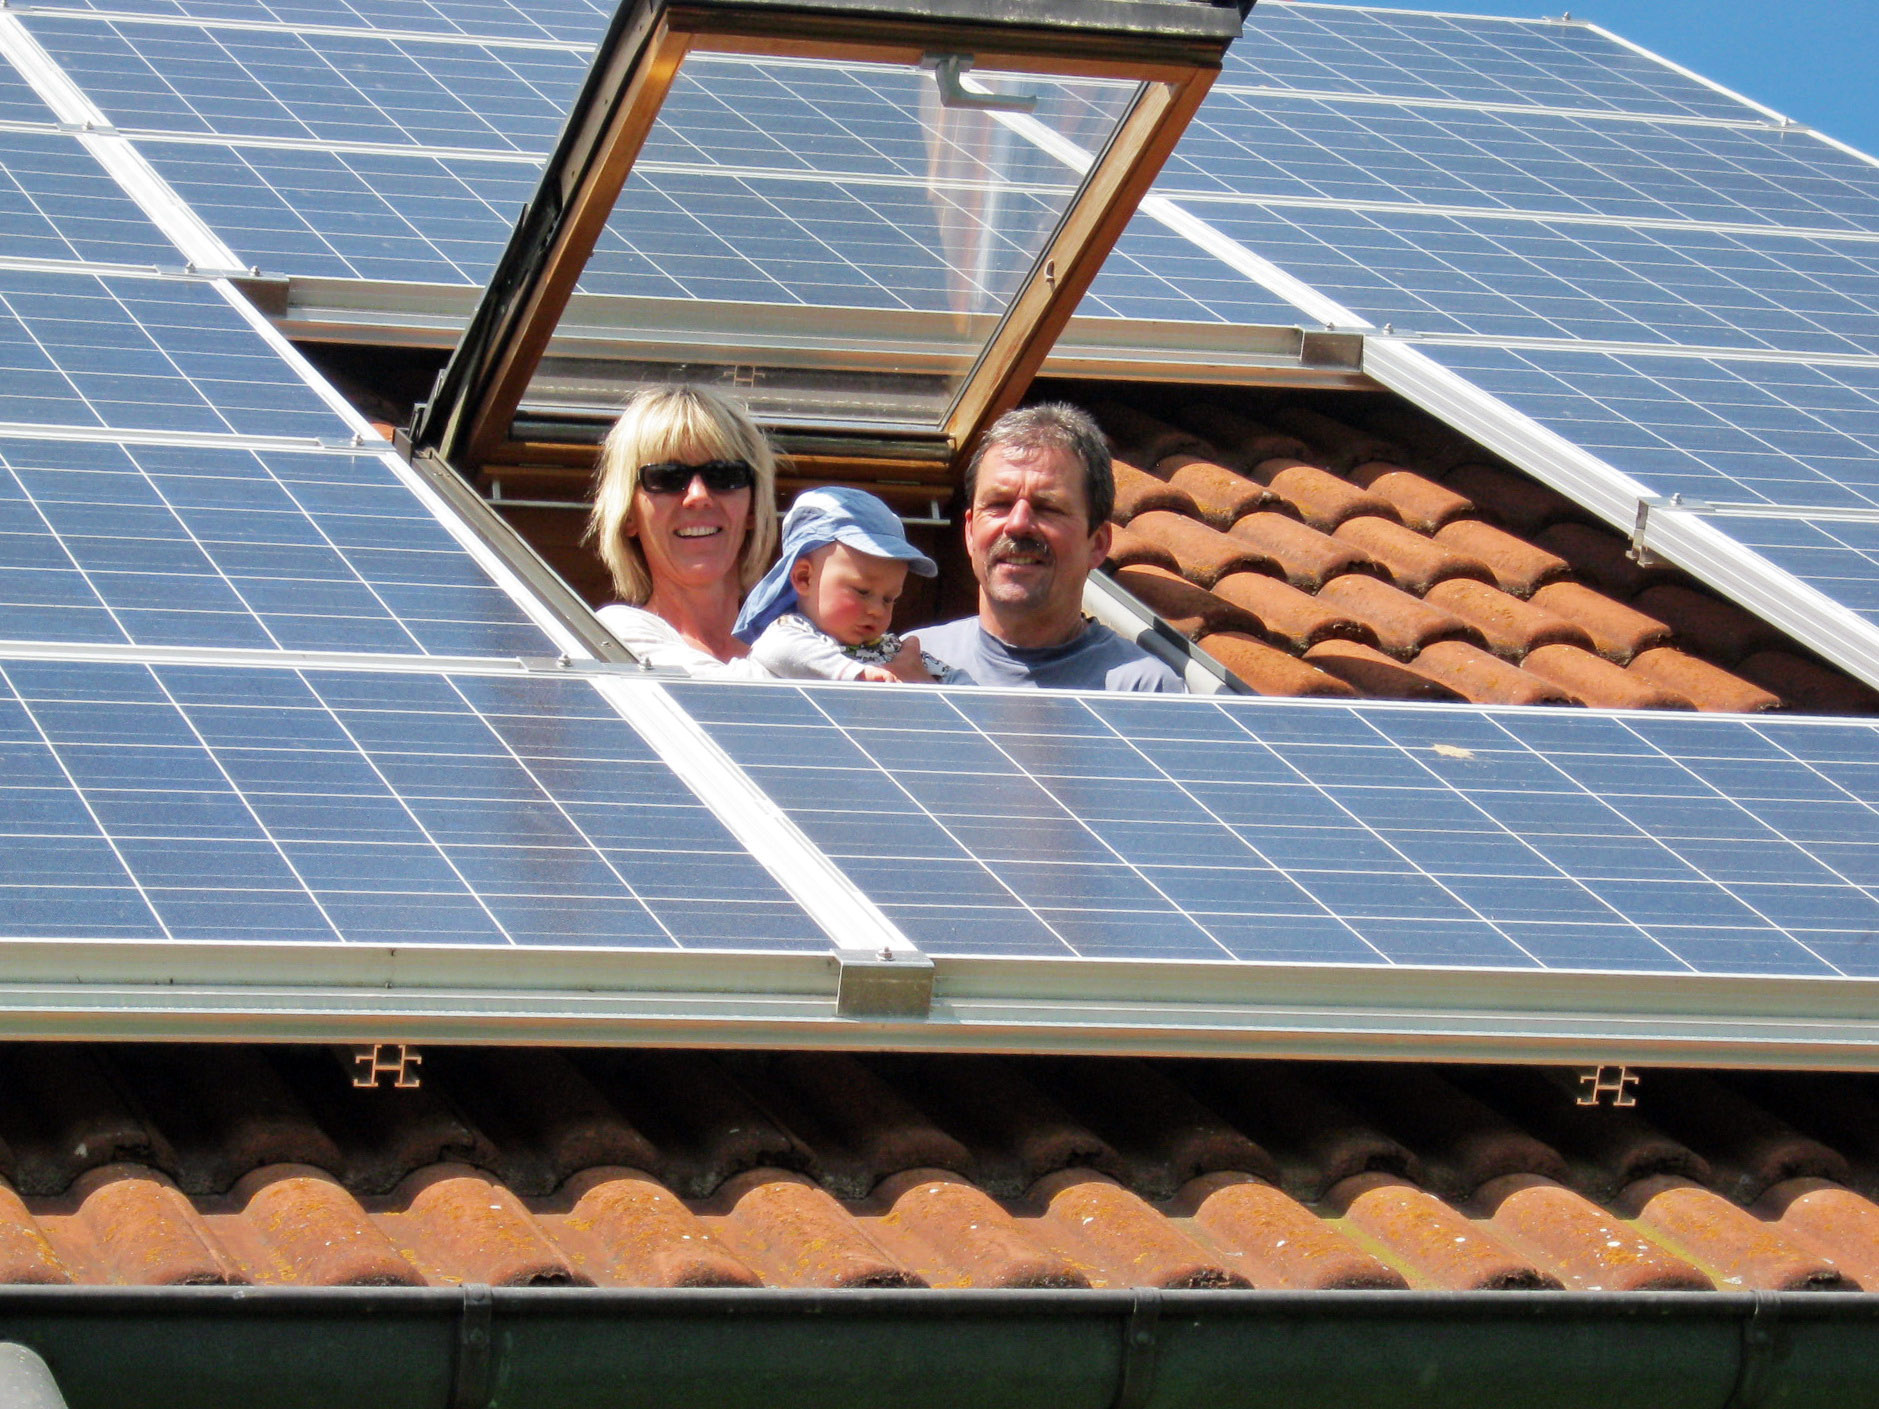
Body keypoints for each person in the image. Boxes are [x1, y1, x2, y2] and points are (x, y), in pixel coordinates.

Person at [919, 403, 1185, 692]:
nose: (1018, 524)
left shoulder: (1142, 693)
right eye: (999, 505)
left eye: (1047, 507)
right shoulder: (910, 665)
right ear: (970, 532)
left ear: (1097, 544)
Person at [587, 384, 780, 677]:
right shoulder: (615, 641)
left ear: (753, 506)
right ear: (628, 514)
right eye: (666, 477)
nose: (698, 496)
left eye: (724, 475)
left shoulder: (801, 643)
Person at [733, 486, 966, 683]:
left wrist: (967, 692)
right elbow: (775, 650)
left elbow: (957, 681)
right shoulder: (791, 632)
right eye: (863, 591)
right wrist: (855, 674)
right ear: (804, 578)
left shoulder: (891, 651)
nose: (877, 610)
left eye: (889, 599)